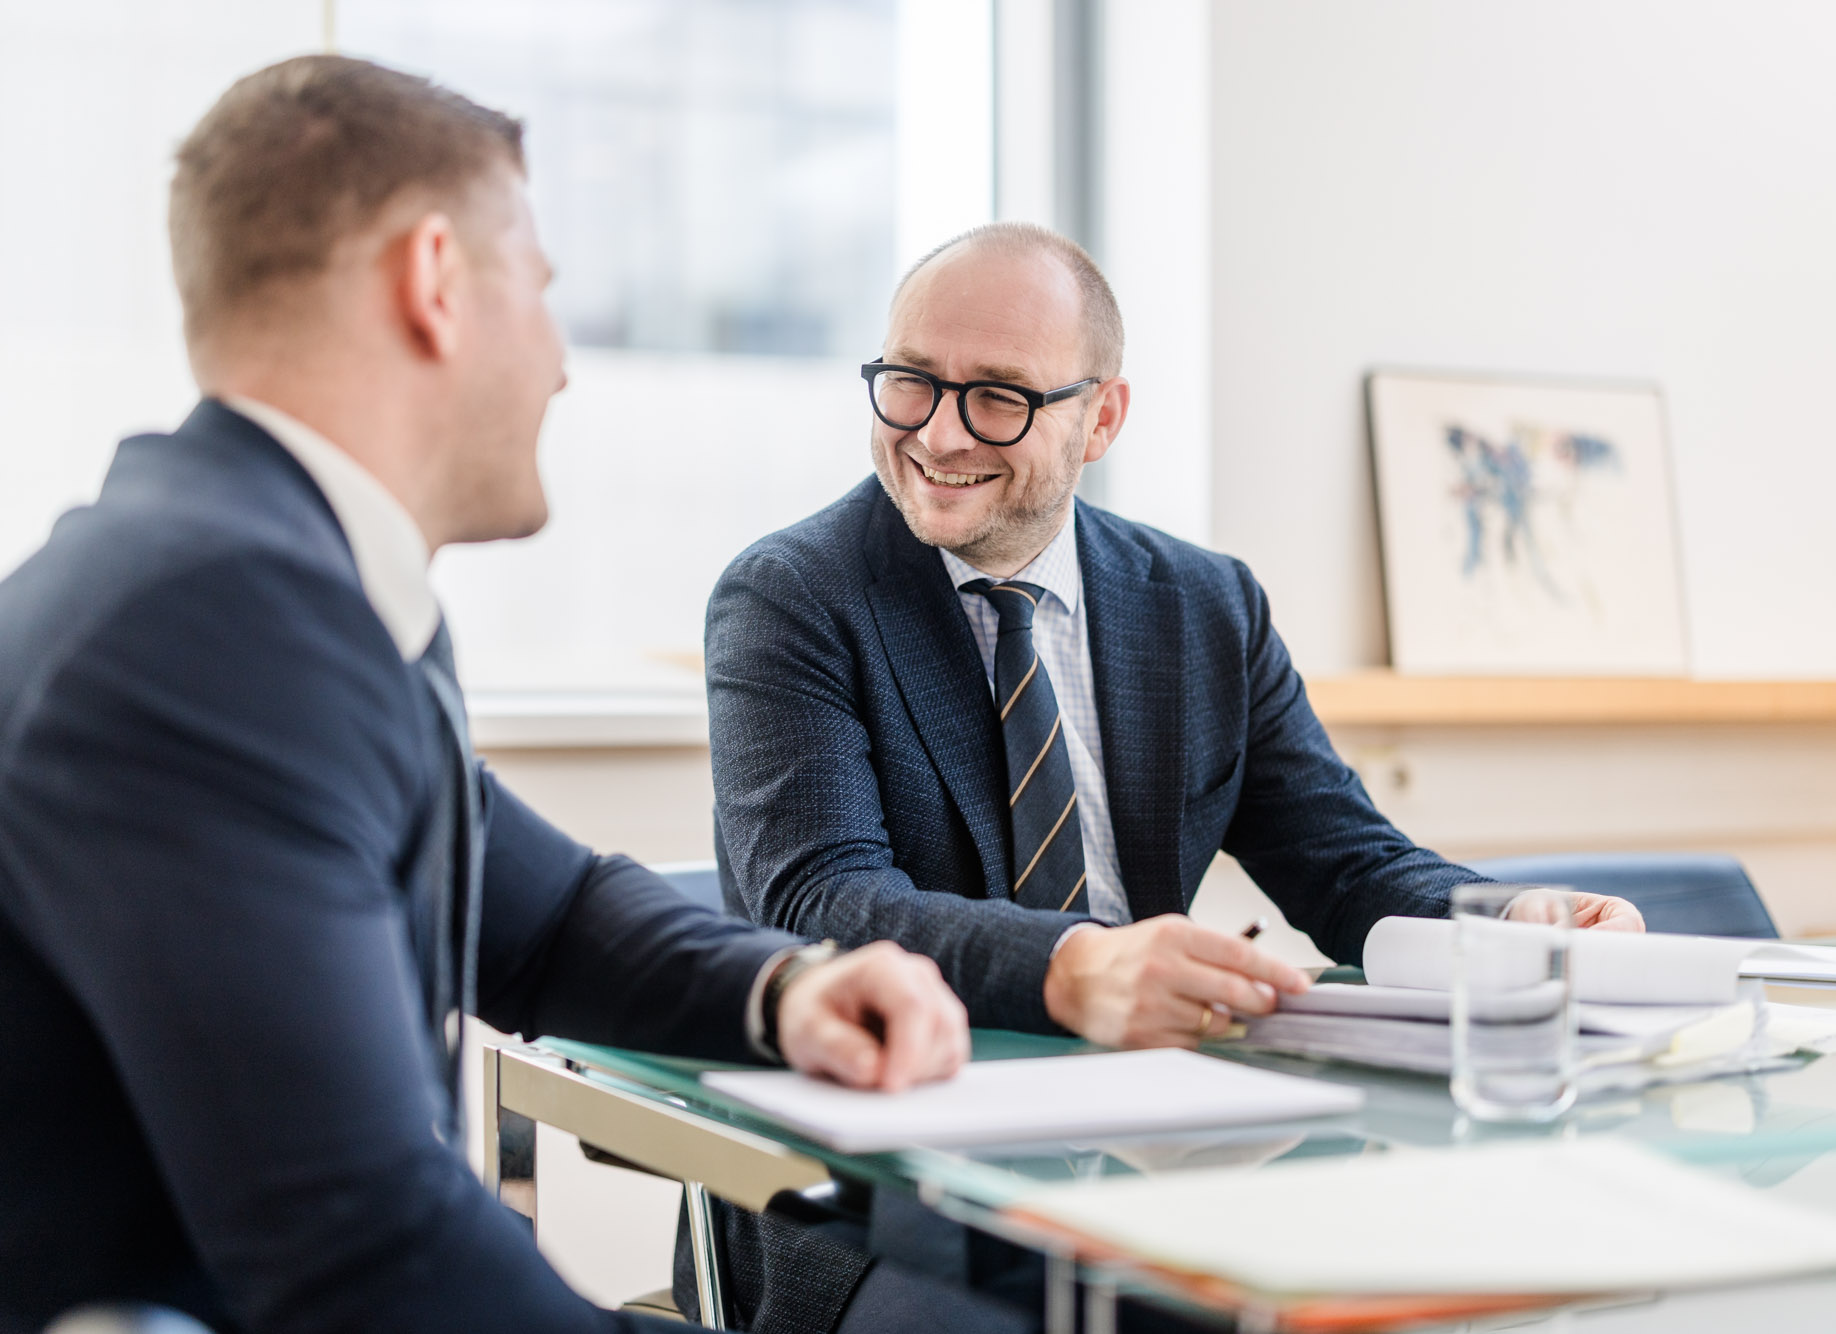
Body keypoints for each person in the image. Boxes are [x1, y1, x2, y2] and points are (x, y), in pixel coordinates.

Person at [0, 56, 971, 1334]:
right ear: (437, 283)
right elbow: (365, 1246)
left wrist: (786, 988)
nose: (564, 363)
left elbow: (544, 915)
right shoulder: (213, 626)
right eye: (544, 291)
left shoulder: (265, 574)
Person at [697, 221, 1644, 1330]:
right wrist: (1075, 965)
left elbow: (1342, 863)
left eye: (998, 394)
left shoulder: (1203, 604)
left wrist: (1507, 920)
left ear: (1101, 416)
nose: (938, 431)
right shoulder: (790, 596)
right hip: (888, 1197)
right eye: (910, 381)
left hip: (1164, 1156)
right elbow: (819, 903)